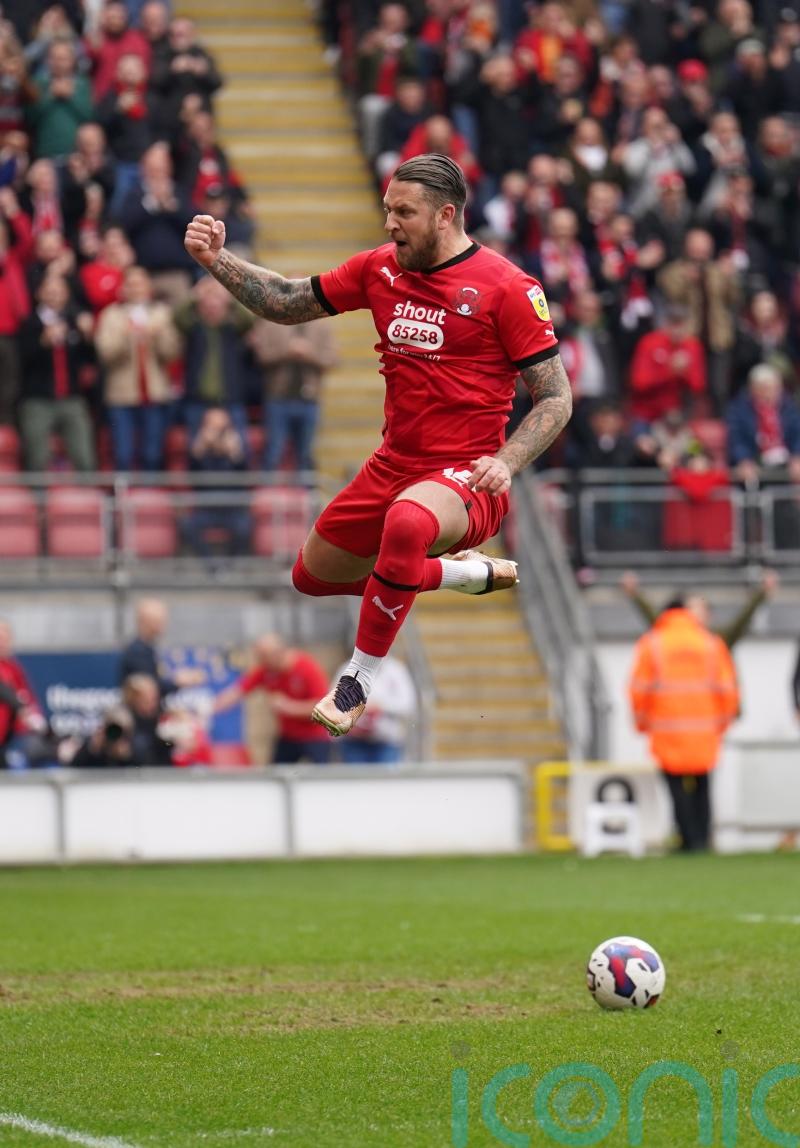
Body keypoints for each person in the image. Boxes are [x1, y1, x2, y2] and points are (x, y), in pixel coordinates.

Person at [184, 153, 573, 738]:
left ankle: (358, 679)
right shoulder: (380, 269)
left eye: (404, 213)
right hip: (392, 466)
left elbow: (556, 397)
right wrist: (218, 260)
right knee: (311, 576)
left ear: (445, 215)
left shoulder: (509, 289)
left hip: (467, 479)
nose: (390, 223)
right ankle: (453, 575)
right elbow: (286, 301)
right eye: (387, 210)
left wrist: (506, 461)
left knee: (406, 523)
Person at [629, 597, 739, 851]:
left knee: (676, 787)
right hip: (705, 729)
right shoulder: (711, 643)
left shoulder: (652, 643)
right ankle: (702, 838)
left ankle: (686, 837)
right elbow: (728, 687)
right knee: (703, 785)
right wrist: (723, 722)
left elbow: (639, 688)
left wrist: (642, 723)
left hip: (666, 729)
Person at [213, 634, 331, 764]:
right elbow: (237, 691)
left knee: (321, 774)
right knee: (275, 772)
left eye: (263, 657)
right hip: (288, 737)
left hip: (315, 737)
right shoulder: (266, 670)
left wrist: (288, 706)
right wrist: (210, 708)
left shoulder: (307, 668)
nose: (260, 661)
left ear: (278, 653)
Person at [621, 568, 779, 648]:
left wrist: (761, 594)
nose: (698, 612)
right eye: (693, 607)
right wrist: (635, 594)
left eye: (702, 608)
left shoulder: (716, 640)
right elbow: (655, 618)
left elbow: (741, 621)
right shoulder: (670, 638)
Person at [332, 653, 417, 764]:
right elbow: (333, 705)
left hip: (387, 741)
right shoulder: (347, 669)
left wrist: (381, 706)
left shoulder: (396, 670)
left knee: (385, 775)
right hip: (353, 743)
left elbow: (408, 705)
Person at [120, 598, 205, 696]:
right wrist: (178, 681)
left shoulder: (148, 648)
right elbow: (149, 690)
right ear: (146, 621)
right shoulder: (137, 652)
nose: (164, 624)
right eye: (159, 620)